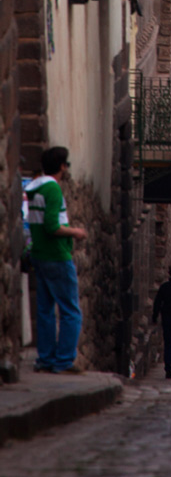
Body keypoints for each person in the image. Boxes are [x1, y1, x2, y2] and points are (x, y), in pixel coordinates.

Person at [26, 146, 87, 373]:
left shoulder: (34, 188)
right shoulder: (52, 189)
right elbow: (52, 226)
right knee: (71, 311)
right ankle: (63, 361)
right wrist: (75, 232)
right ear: (61, 166)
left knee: (44, 310)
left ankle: (46, 358)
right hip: (56, 256)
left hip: (40, 254)